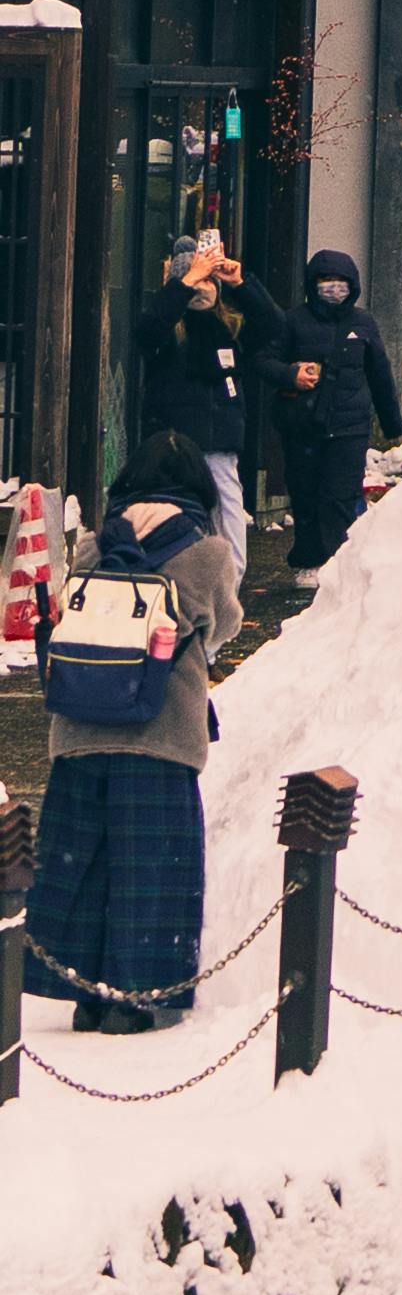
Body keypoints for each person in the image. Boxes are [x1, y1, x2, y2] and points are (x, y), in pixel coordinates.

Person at [24, 433, 240, 1033]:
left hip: (80, 731)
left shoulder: (97, 543)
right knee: (151, 872)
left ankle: (84, 994)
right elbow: (225, 623)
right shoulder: (208, 552)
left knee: (85, 866)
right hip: (161, 736)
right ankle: (135, 1000)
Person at [266, 250, 402, 572]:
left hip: (349, 427)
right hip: (303, 426)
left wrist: (392, 426)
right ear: (312, 284)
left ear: (352, 284)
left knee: (340, 498)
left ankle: (338, 566)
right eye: (325, 280)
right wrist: (291, 374)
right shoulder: (293, 321)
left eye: (340, 281)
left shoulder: (363, 323)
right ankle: (309, 561)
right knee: (305, 495)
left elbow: (380, 374)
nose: (333, 287)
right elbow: (265, 361)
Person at [132, 238, 259, 556]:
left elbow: (274, 328)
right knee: (178, 517)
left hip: (221, 443)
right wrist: (183, 283)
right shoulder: (167, 328)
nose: (202, 289)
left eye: (208, 281)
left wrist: (241, 284)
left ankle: (229, 581)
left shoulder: (230, 326)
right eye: (195, 281)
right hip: (175, 445)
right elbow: (147, 331)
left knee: (228, 516)